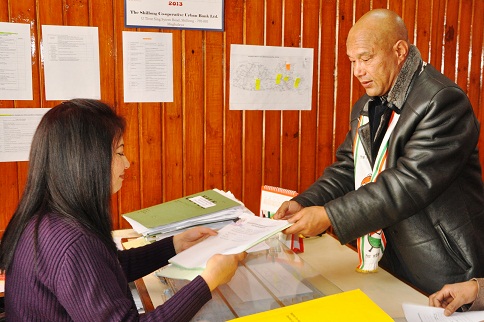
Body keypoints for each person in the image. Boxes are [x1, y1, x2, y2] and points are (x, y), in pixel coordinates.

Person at [273, 8, 484, 295]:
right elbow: (348, 167)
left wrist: (329, 216)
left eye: (366, 58)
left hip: (444, 267)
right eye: (352, 61)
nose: (357, 70)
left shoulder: (443, 101)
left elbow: (407, 184)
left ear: (399, 51)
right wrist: (306, 201)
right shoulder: (368, 104)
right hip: (390, 259)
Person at [0, 99, 246, 321]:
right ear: (87, 161)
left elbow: (108, 269)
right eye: (119, 152)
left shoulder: (49, 219)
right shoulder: (72, 241)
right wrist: (208, 281)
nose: (127, 163)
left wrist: (174, 245)